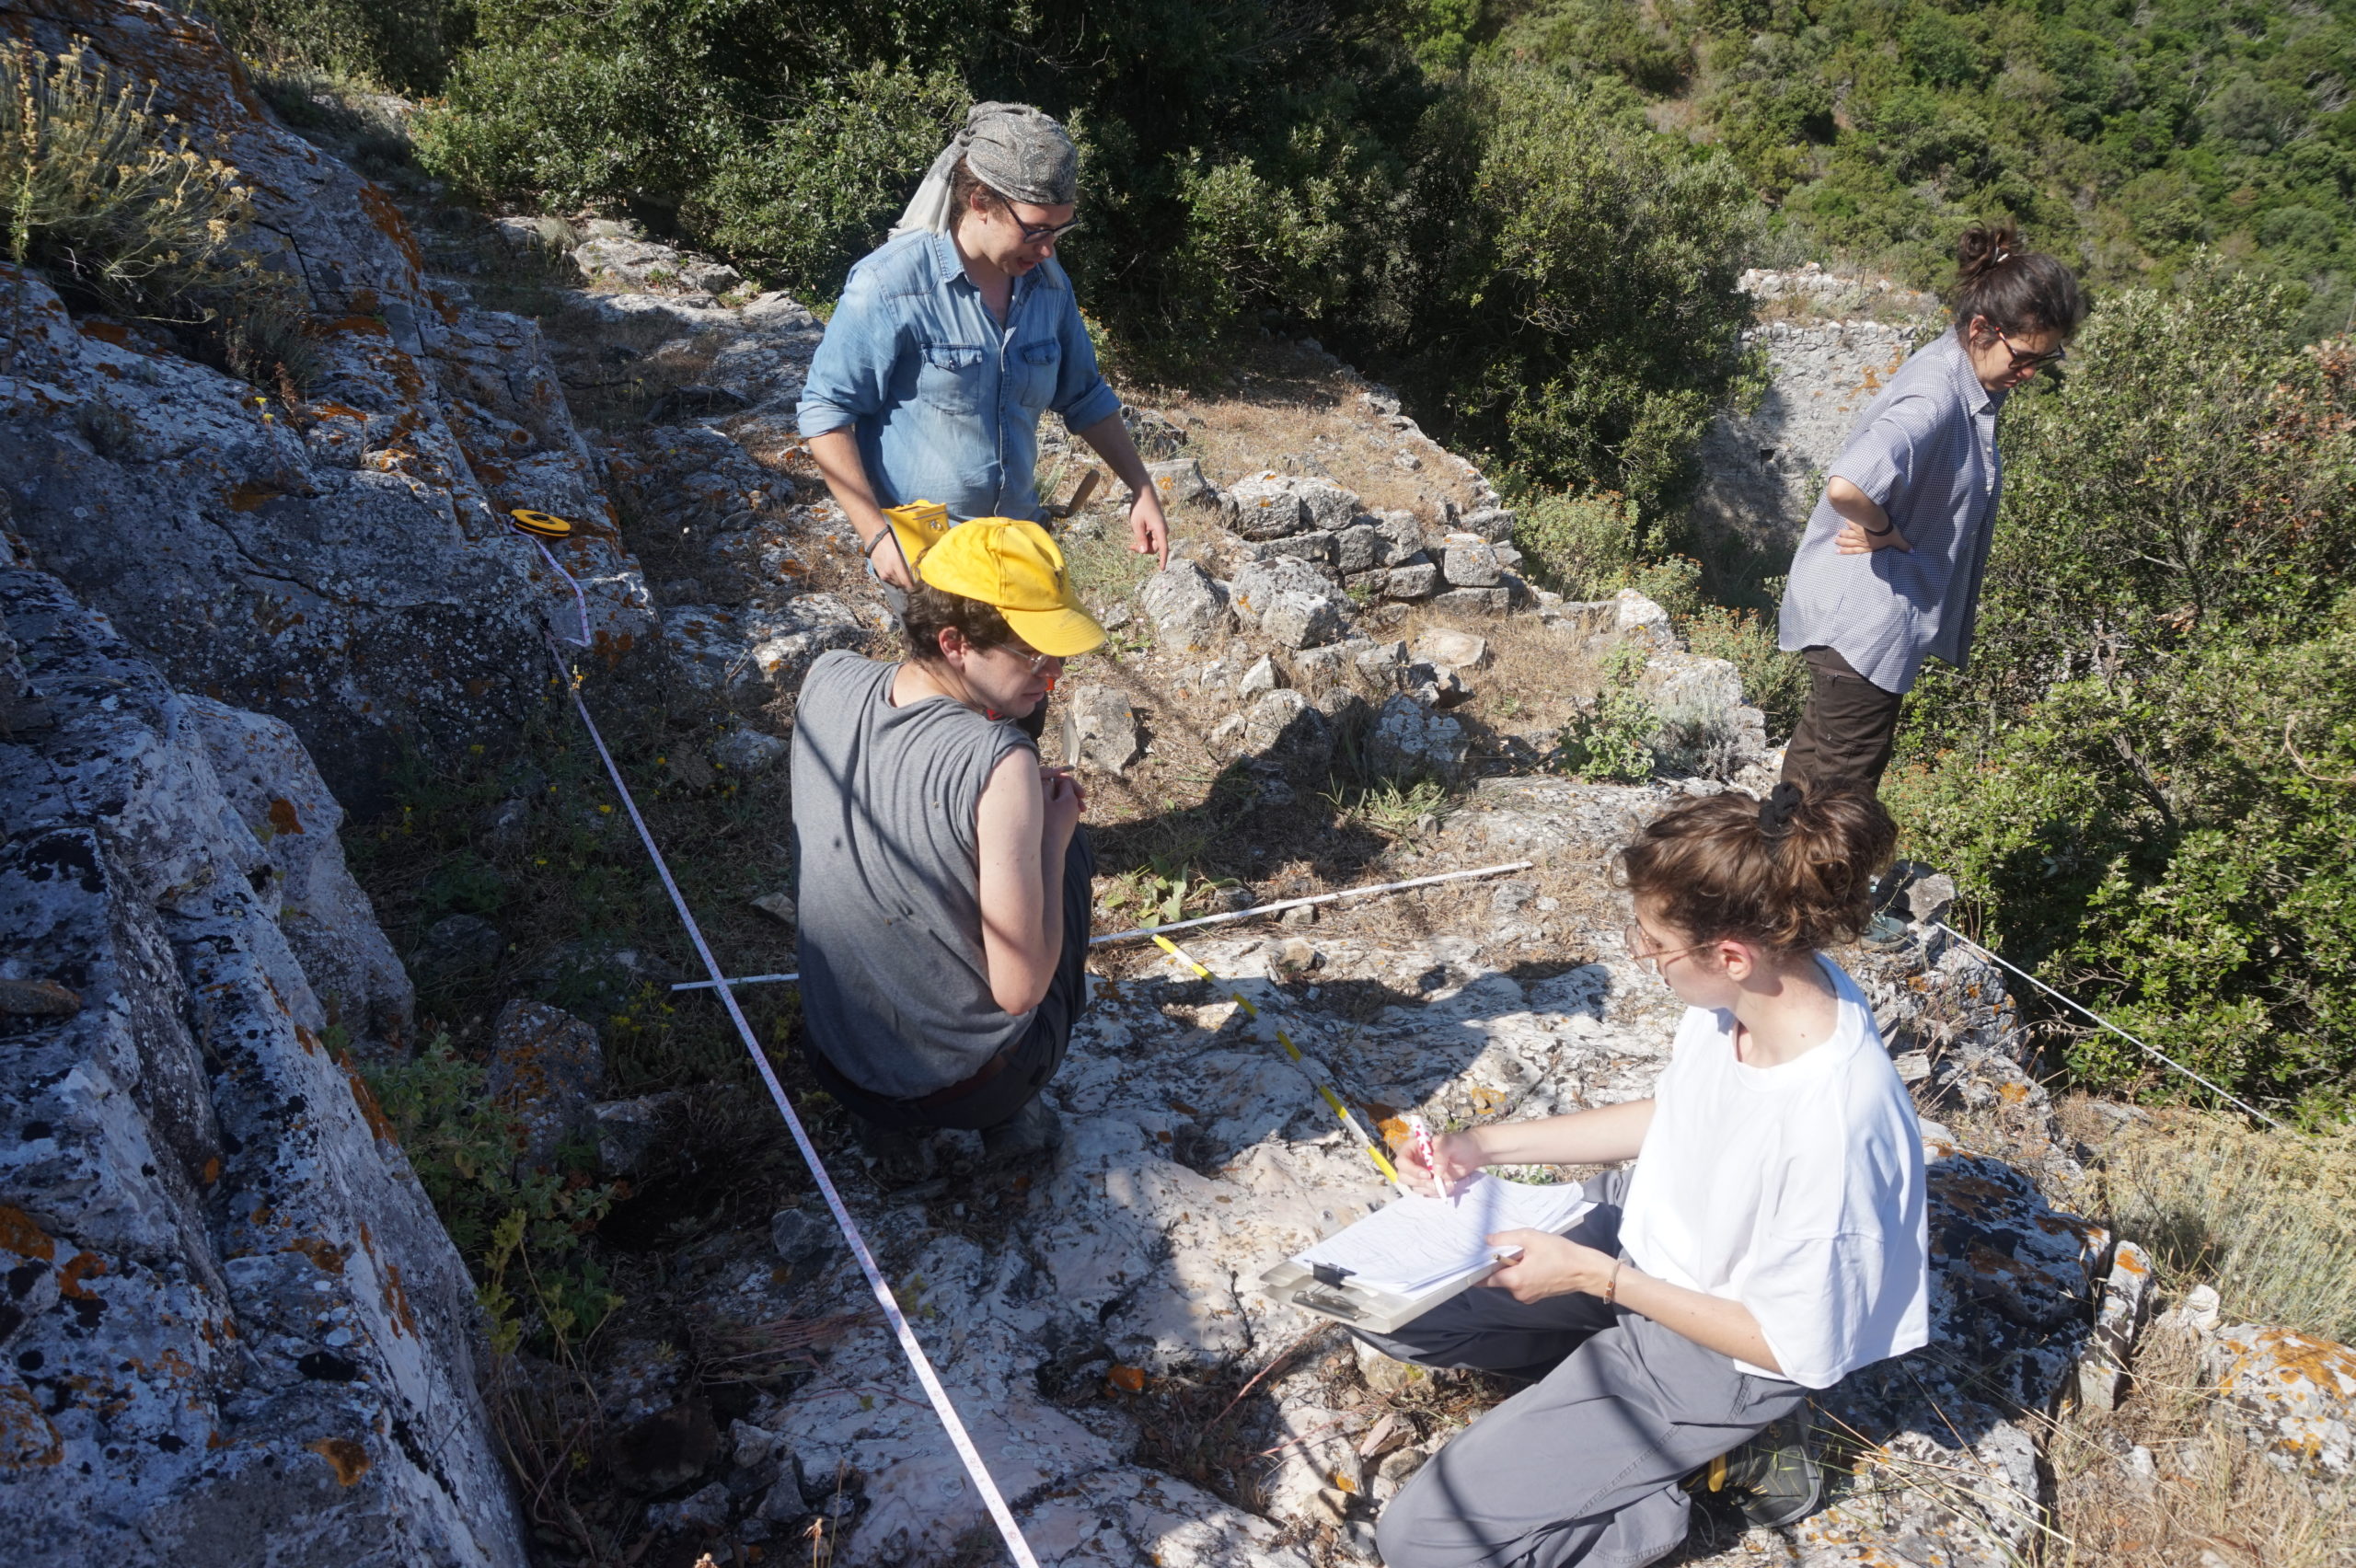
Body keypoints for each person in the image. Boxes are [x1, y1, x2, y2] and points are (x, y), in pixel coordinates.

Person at [1358, 782, 1929, 1568]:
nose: (1641, 955)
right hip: (1642, 1245)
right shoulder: (1749, 999)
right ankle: (1598, 1411)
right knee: (1387, 1307)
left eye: (1653, 943)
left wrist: (1595, 1280)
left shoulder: (1834, 1124)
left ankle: (1688, 1488)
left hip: (1722, 1353)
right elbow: (1679, 1113)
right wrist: (1481, 1146)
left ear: (1731, 955)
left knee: (1425, 1540)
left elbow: (1789, 1346)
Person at [795, 100, 1170, 715]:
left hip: (1018, 550)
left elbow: (1083, 393)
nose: (1049, 249)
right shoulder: (892, 286)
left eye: (1061, 230)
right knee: (949, 726)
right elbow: (825, 411)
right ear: (981, 203)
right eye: (1037, 229)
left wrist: (1141, 485)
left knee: (1023, 707)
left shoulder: (1049, 287)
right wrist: (875, 538)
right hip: (930, 564)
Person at [789, 517, 1102, 1166]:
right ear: (954, 641)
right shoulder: (1000, 758)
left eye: (1059, 657)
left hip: (837, 1065)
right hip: (970, 1089)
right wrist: (1050, 839)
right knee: (1069, 854)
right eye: (1034, 656)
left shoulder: (825, 678)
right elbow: (1020, 992)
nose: (1053, 679)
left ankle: (889, 1137)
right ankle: (1014, 1112)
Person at [1775, 223, 2086, 796]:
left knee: (1813, 771)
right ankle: (1808, 886)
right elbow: (1845, 485)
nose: (2027, 374)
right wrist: (1885, 530)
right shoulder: (1936, 398)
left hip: (1855, 625)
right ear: (1980, 330)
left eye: (2044, 361)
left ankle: (1769, 871)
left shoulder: (1960, 372)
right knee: (1841, 799)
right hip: (1864, 622)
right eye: (2023, 358)